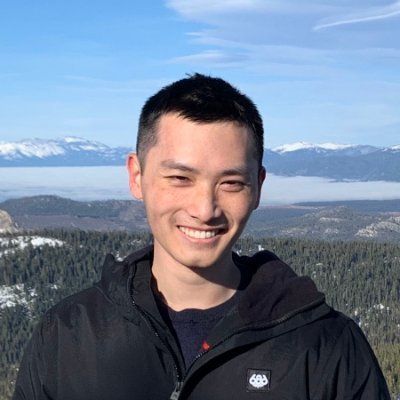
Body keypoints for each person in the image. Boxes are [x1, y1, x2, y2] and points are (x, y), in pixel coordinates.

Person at [13, 74, 390, 400]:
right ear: (137, 177)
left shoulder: (326, 347)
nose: (204, 208)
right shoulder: (66, 336)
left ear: (258, 187)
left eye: (231, 182)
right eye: (180, 178)